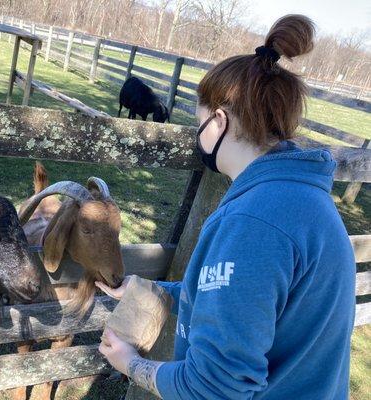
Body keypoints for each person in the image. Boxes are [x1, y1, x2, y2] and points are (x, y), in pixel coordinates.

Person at [96, 14, 356, 400]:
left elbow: (213, 388)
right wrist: (155, 290)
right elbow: (243, 299)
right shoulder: (302, 199)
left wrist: (131, 364)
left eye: (198, 122)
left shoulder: (255, 222)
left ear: (218, 121)